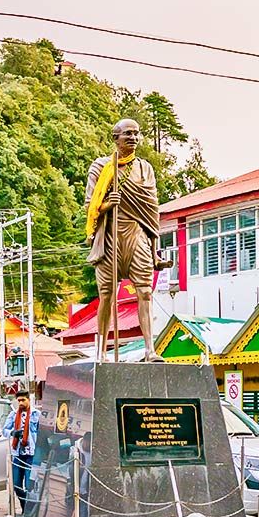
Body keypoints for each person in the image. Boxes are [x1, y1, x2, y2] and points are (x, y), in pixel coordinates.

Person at [85, 119, 163, 361]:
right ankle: (102, 351)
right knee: (106, 295)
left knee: (145, 293)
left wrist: (153, 250)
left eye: (137, 134)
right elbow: (90, 205)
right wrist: (108, 203)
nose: (133, 138)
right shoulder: (101, 168)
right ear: (115, 138)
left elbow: (152, 211)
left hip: (136, 235)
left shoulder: (145, 169)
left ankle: (150, 350)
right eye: (127, 134)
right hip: (109, 237)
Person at [2, 390, 41, 511]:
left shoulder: (37, 414)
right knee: (16, 485)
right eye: (18, 400)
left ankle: (29, 511)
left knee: (30, 485)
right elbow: (4, 430)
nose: (21, 403)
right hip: (17, 454)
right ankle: (25, 506)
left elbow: (41, 434)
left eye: (23, 400)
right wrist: (13, 433)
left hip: (31, 455)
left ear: (29, 399)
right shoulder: (13, 415)